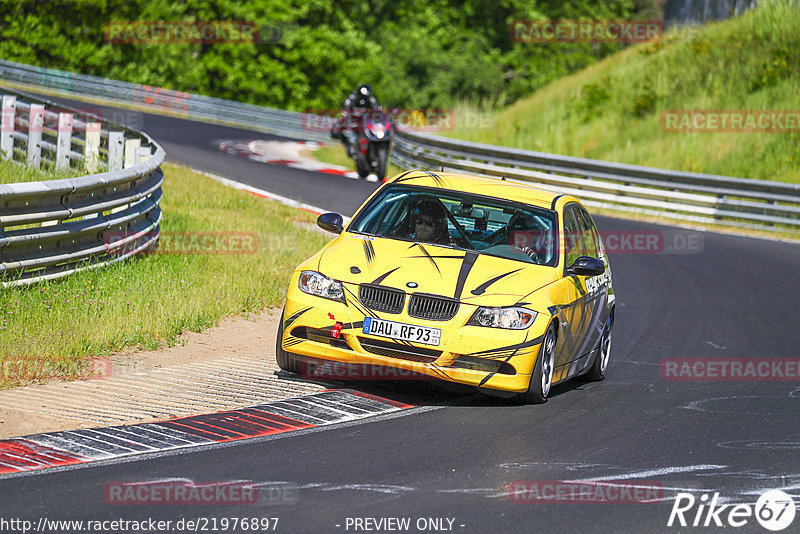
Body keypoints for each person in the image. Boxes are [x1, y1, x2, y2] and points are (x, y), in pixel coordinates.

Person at [331, 84, 382, 152]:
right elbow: (345, 110)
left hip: (365, 121)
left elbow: (377, 110)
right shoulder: (351, 98)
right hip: (352, 120)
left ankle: (373, 147)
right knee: (338, 130)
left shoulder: (371, 99)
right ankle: (348, 144)